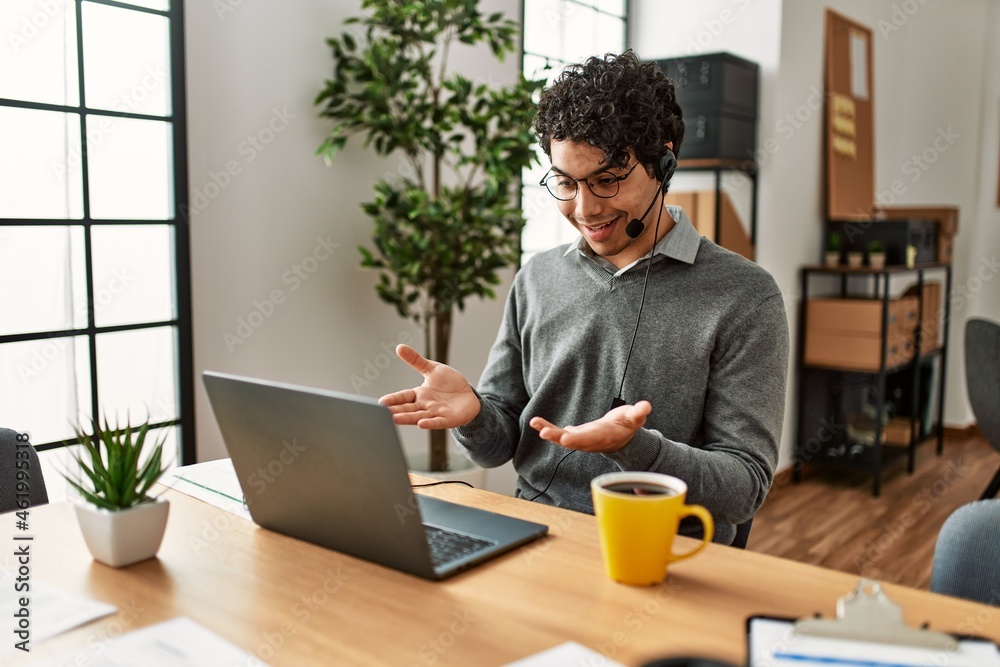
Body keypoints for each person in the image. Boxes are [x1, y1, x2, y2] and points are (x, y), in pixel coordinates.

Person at [379, 50, 789, 545]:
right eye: (567, 183)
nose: (586, 208)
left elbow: (743, 486)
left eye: (607, 180)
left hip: (663, 553)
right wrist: (474, 414)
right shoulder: (537, 277)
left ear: (663, 163)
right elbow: (497, 446)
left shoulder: (745, 296)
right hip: (534, 538)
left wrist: (637, 449)